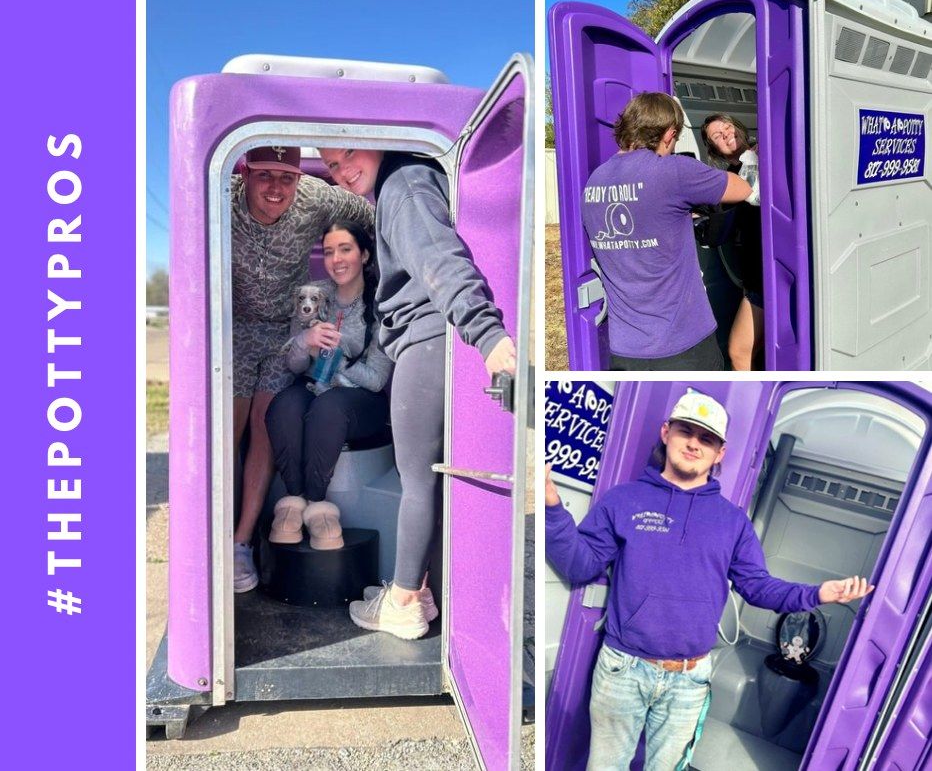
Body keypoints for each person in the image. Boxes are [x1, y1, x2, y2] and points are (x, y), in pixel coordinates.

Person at [545, 389, 874, 770]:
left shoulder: (733, 522)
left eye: (707, 439)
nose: (694, 444)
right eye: (687, 431)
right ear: (666, 432)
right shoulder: (624, 500)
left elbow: (758, 587)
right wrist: (554, 508)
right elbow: (580, 566)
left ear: (720, 453)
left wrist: (817, 593)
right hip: (623, 670)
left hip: (690, 679)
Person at [317, 147, 517, 640]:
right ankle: (420, 588)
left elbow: (438, 256)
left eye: (347, 155)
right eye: (332, 166)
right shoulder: (396, 186)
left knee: (416, 481)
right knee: (428, 478)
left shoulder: (402, 185)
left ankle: (404, 601)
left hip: (426, 338)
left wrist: (486, 332)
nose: (344, 172)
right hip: (426, 337)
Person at [231, 146, 374, 593]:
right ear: (246, 173)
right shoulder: (220, 195)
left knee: (265, 426)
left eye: (287, 177)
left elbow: (371, 213)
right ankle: (213, 538)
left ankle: (241, 543)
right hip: (232, 328)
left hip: (285, 330)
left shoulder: (316, 196)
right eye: (265, 175)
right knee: (227, 435)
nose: (276, 188)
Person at [580, 93, 752, 370]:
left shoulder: (593, 182)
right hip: (685, 345)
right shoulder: (673, 171)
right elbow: (744, 188)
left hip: (625, 350)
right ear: (670, 134)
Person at [264, 220, 392, 550]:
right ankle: (294, 502)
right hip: (313, 386)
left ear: (364, 255)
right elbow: (295, 367)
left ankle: (319, 507)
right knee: (284, 405)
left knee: (328, 408)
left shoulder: (381, 304)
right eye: (330, 251)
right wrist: (304, 341)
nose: (336, 259)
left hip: (361, 398)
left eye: (345, 249)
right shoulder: (314, 294)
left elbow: (378, 381)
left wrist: (342, 359)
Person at [701, 114, 764, 370]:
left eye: (726, 127)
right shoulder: (730, 177)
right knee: (753, 348)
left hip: (765, 278)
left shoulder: (765, 155)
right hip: (755, 276)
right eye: (717, 136)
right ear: (714, 149)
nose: (726, 133)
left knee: (738, 350)